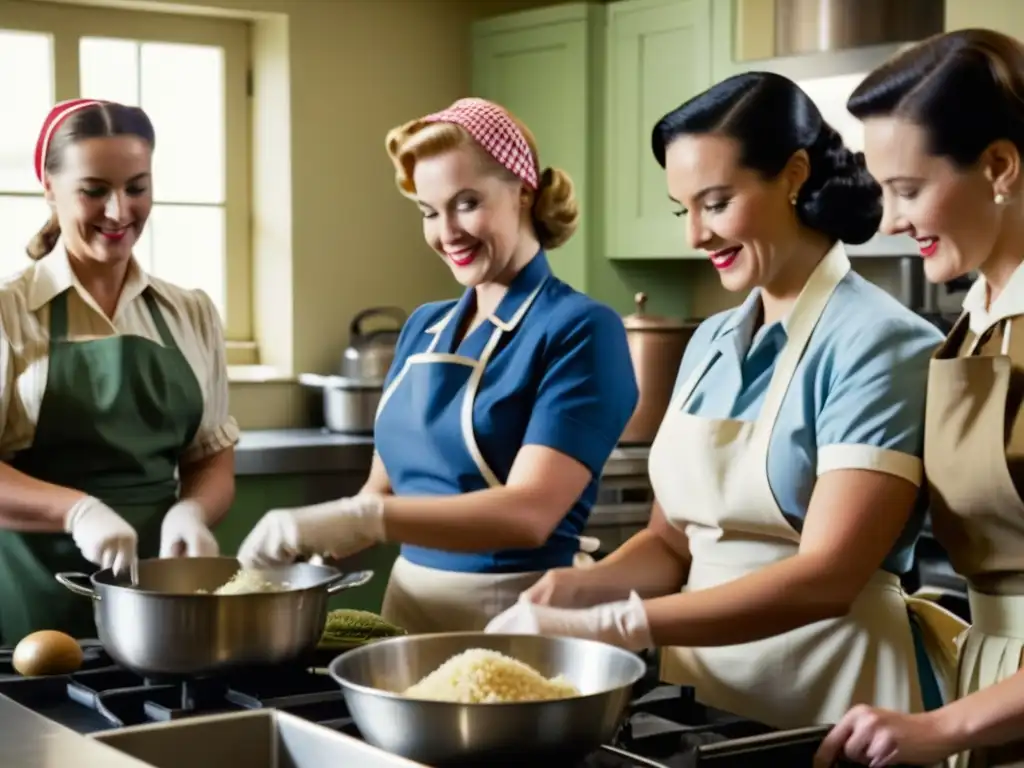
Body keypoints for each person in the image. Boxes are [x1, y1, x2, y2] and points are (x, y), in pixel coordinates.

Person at [485, 72, 967, 729]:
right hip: (705, 702)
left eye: (715, 203)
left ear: (794, 174)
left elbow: (828, 577)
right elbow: (672, 541)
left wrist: (619, 621)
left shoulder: (883, 343)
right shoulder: (709, 340)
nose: (695, 236)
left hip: (839, 701)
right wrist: (572, 589)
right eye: (683, 209)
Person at [237, 97, 638, 633]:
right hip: (407, 603)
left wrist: (361, 520)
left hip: (516, 612)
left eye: (466, 202)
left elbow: (529, 513)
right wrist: (310, 551)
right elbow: (381, 494)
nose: (446, 231)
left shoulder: (581, 328)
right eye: (429, 212)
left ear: (524, 192)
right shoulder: (424, 327)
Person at [815, 29, 1024, 768]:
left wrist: (944, 729)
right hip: (993, 695)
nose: (892, 221)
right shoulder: (979, 318)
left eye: (908, 190)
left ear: (999, 166)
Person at [0, 99, 238, 646]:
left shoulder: (191, 312)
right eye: (94, 190)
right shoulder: (10, 311)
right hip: (31, 603)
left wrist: (193, 512)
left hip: (161, 607)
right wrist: (77, 511)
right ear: (50, 189)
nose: (118, 211)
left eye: (136, 187)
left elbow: (211, 457)